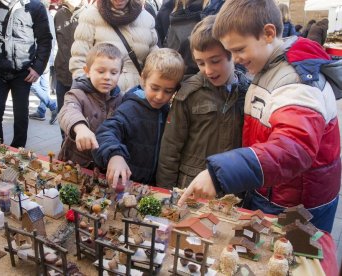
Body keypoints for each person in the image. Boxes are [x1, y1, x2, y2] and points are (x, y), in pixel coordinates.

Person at [178, 0, 341, 233]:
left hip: (298, 205)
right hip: (275, 191)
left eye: (239, 49)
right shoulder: (268, 69)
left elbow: (294, 148)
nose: (235, 59)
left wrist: (219, 174)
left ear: (267, 33)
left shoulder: (294, 82)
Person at [156, 16, 250, 189]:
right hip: (192, 186)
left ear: (232, 54)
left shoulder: (248, 91)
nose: (208, 70)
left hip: (234, 187)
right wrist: (165, 193)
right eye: (200, 63)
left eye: (215, 61)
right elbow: (170, 149)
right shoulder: (189, 94)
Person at [93, 48, 185, 187]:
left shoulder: (167, 110)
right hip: (127, 184)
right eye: (154, 88)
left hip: (151, 186)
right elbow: (106, 132)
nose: (160, 96)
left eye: (168, 91)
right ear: (143, 79)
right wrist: (115, 155)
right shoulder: (130, 109)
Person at [0, 0, 52, 148]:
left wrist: (38, 67)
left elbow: (45, 40)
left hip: (23, 70)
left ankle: (17, 152)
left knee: (21, 117)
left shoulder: (35, 6)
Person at [57, 43, 124, 168]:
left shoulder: (121, 99)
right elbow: (68, 111)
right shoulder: (77, 94)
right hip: (76, 162)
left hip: (104, 164)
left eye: (114, 73)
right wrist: (80, 127)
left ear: (120, 74)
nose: (107, 77)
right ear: (87, 71)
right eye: (101, 71)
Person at [69, 0, 158, 92]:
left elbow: (154, 59)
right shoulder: (90, 15)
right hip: (101, 95)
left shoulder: (147, 19)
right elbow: (79, 58)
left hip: (137, 95)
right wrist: (88, 91)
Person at [54, 0, 90, 140]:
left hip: (83, 79)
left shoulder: (90, 14)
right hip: (62, 75)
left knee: (81, 120)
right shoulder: (59, 15)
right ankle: (65, 148)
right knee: (63, 116)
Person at [28, 0, 58, 125]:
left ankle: (52, 104)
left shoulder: (39, 14)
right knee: (44, 85)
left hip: (40, 57)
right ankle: (41, 111)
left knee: (32, 83)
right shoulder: (49, 16)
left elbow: (41, 38)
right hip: (47, 56)